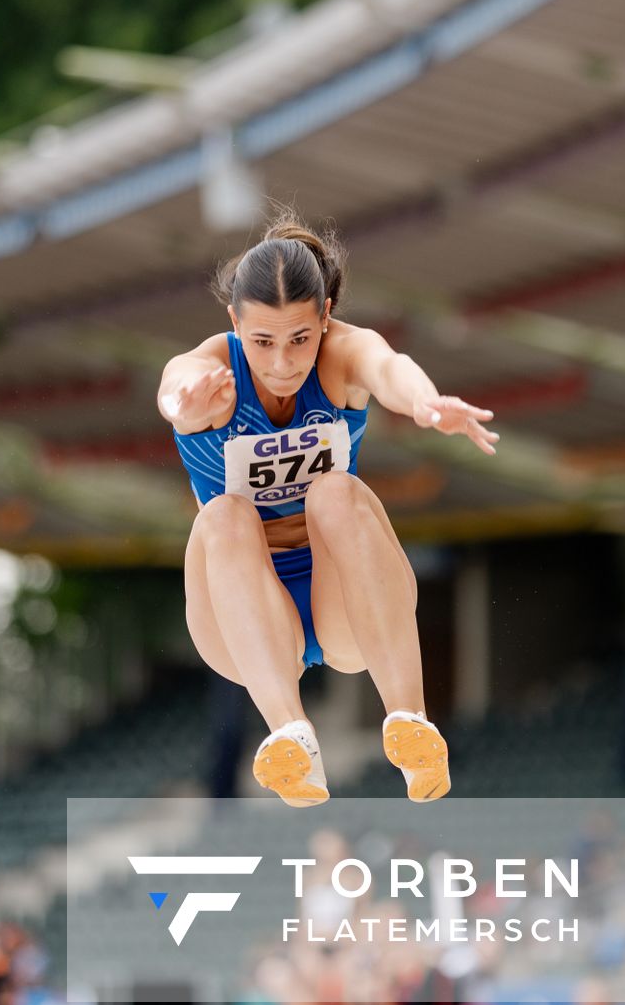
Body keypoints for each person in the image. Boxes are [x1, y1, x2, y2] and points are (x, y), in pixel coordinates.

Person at [157, 209, 498, 805]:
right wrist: (182, 407)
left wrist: (424, 403)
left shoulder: (343, 356)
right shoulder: (210, 372)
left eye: (300, 340)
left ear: (325, 319)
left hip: (344, 600)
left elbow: (386, 366)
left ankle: (410, 722)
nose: (283, 364)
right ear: (235, 322)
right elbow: (175, 388)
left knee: (335, 491)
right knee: (222, 515)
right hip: (246, 617)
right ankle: (291, 735)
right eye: (261, 342)